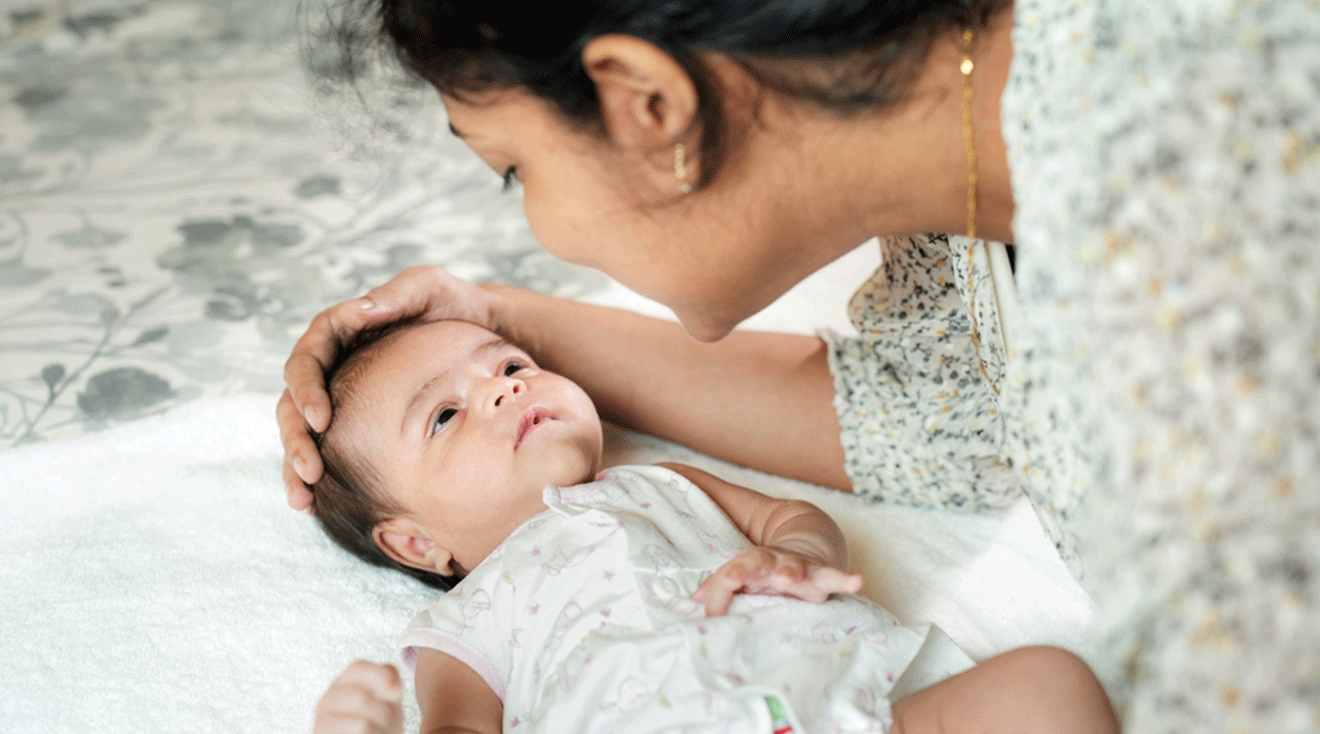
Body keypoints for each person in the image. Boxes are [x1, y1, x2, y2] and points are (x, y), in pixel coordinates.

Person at [281, 1, 1320, 730]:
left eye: (515, 174)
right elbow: (929, 419)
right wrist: (498, 318)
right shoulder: (962, 201)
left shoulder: (1203, 225)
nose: (540, 229)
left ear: (649, 104)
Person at [307, 317, 1117, 734]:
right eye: (445, 414)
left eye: (510, 364)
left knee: (1050, 686)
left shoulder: (660, 483)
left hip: (845, 705)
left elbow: (791, 517)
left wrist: (792, 555)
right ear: (417, 544)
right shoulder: (466, 621)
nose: (502, 389)